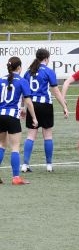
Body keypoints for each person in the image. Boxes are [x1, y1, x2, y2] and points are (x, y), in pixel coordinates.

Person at [21, 48, 70, 173]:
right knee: (47, 135)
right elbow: (55, 91)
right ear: (46, 59)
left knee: (30, 135)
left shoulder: (28, 72)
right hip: (45, 105)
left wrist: (23, 107)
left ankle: (25, 165)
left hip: (32, 105)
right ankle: (49, 165)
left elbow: (24, 93)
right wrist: (64, 106)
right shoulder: (49, 71)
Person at [0, 57, 37, 185]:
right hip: (12, 117)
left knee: (1, 145)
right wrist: (34, 117)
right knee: (15, 147)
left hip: (0, 115)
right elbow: (28, 101)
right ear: (19, 67)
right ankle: (16, 178)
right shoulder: (22, 81)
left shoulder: (1, 79)